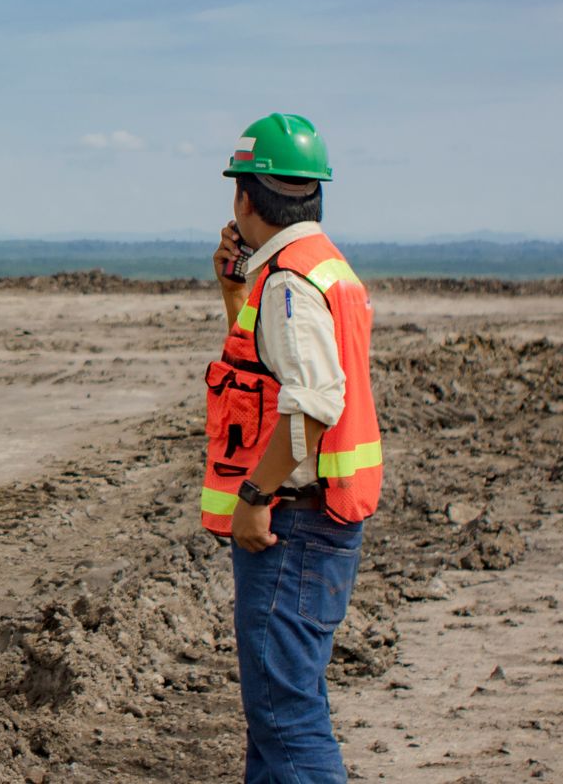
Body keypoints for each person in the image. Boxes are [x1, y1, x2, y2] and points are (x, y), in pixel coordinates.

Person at [204, 113, 383, 784]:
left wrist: (254, 497)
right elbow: (264, 373)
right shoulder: (321, 267)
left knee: (287, 720)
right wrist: (233, 288)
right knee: (275, 723)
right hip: (319, 520)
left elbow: (312, 400)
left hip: (293, 524)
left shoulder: (288, 280)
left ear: (244, 199)